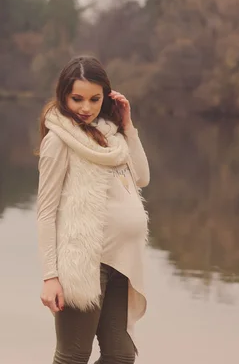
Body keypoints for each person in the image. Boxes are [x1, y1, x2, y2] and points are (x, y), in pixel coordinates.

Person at [36, 56, 150, 364]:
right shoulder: (59, 141)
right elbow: (45, 212)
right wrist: (50, 277)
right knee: (73, 356)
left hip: (120, 263)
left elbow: (141, 177)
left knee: (120, 356)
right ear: (64, 95)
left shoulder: (112, 136)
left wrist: (127, 125)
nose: (86, 107)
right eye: (77, 99)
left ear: (106, 97)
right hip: (83, 263)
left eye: (94, 99)